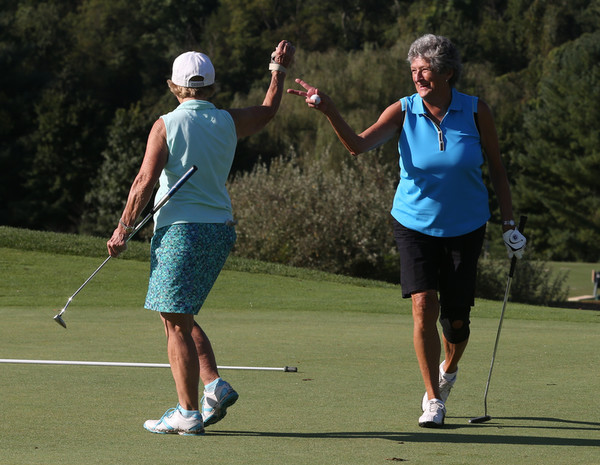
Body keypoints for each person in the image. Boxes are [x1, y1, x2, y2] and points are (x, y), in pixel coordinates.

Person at [287, 34, 526, 428]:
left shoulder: (475, 110)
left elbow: (497, 170)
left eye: (425, 69)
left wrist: (509, 224)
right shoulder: (403, 110)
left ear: (448, 72)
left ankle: (449, 370)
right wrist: (329, 110)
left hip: (466, 227)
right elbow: (357, 146)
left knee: (457, 322)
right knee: (422, 304)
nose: (418, 77)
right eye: (413, 70)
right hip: (414, 223)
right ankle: (433, 397)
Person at [107, 40, 295, 435]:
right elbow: (268, 111)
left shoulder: (166, 124)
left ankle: (188, 412)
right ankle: (213, 386)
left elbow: (144, 182)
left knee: (174, 320)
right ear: (211, 87)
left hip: (181, 231)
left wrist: (123, 228)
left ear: (174, 87)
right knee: (178, 313)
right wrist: (276, 70)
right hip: (219, 231)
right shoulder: (227, 120)